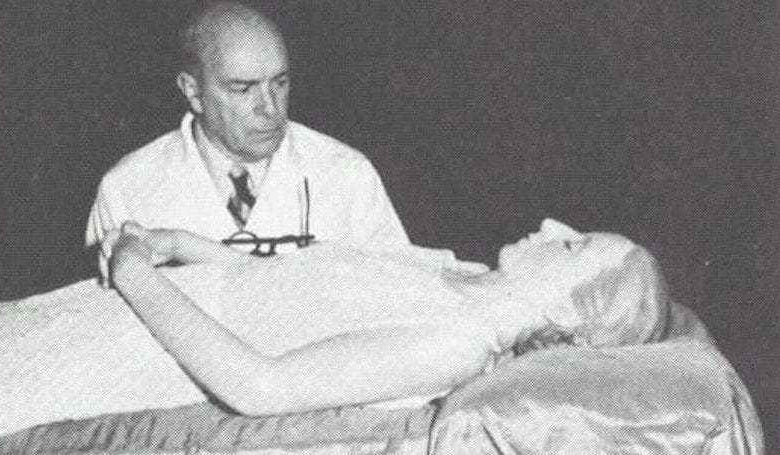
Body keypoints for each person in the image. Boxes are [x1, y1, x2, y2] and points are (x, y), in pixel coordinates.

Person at [105, 218, 669, 416]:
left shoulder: (455, 343)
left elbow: (259, 388)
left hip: (138, 356)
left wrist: (134, 272)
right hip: (149, 308)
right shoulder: (458, 271)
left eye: (572, 245)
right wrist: (177, 244)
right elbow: (286, 291)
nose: (550, 226)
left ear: (566, 310)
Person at [85, 1, 408, 275]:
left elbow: (402, 295)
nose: (270, 108)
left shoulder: (348, 174)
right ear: (193, 92)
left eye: (279, 83)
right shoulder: (128, 188)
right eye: (243, 89)